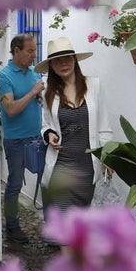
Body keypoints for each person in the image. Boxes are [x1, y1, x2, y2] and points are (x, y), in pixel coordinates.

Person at [36, 37, 112, 215]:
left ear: (75, 60)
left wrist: (108, 157)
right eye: (57, 60)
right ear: (51, 66)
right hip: (61, 167)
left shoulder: (94, 85)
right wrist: (49, 134)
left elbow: (104, 126)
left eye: (67, 58)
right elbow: (46, 124)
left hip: (87, 167)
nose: (63, 63)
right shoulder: (47, 90)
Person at [0, 33, 44, 244]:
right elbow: (10, 109)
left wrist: (39, 95)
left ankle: (53, 225)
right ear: (16, 51)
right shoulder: (5, 76)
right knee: (15, 185)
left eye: (34, 50)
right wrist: (32, 92)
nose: (34, 55)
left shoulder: (35, 73)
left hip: (37, 138)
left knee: (48, 179)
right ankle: (12, 227)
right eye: (30, 51)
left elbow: (37, 100)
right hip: (16, 141)